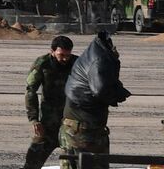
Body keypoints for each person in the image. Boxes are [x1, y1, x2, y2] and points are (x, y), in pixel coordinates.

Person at [60, 31, 129, 169]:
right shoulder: (99, 59)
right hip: (82, 131)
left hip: (80, 127)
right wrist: (117, 95)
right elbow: (101, 90)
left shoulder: (94, 55)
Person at [22, 35, 77, 169]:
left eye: (67, 55)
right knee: (32, 161)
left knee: (71, 163)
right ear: (52, 51)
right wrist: (34, 119)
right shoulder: (42, 64)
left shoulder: (77, 63)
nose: (65, 59)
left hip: (70, 123)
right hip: (48, 123)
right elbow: (30, 91)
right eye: (61, 55)